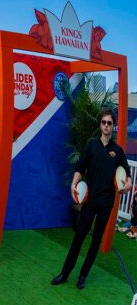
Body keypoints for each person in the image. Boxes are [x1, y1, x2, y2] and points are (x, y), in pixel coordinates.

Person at [52, 109, 131, 289]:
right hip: (90, 201)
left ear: (114, 126)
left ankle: (82, 276)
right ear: (100, 124)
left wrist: (127, 185)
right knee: (78, 238)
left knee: (96, 241)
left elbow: (126, 175)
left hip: (106, 203)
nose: (106, 126)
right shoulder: (91, 144)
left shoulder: (118, 151)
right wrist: (74, 183)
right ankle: (65, 273)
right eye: (103, 122)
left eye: (109, 123)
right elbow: (80, 167)